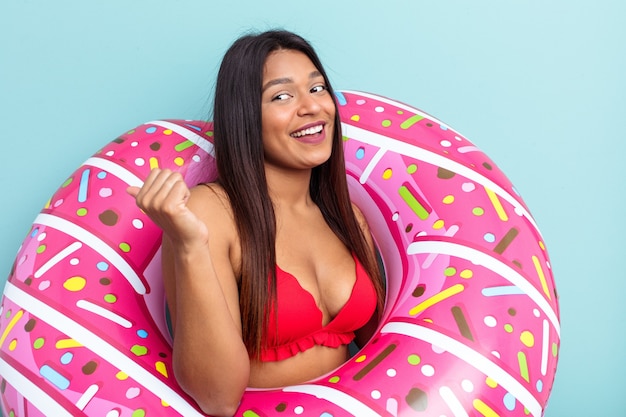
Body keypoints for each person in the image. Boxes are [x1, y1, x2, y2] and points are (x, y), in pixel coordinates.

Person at [127, 30, 385, 417]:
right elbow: (218, 398)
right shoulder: (210, 211)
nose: (311, 107)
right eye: (282, 96)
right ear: (244, 115)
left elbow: (383, 354)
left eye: (317, 89)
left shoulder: (346, 216)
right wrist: (190, 245)